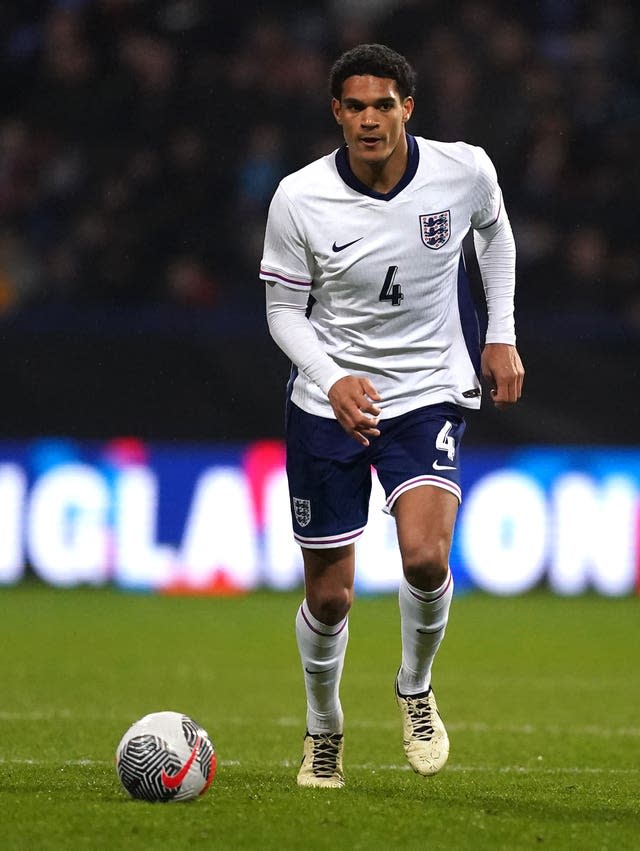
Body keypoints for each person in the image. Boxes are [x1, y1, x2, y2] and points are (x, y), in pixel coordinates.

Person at [260, 43, 524, 788]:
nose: (370, 119)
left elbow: (495, 233)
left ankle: (413, 685)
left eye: (384, 104)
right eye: (355, 107)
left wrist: (499, 332)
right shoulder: (299, 198)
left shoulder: (462, 169)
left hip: (428, 389)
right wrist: (330, 377)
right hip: (328, 403)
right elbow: (283, 310)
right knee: (330, 594)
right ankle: (323, 728)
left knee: (425, 558)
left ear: (409, 107)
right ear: (336, 113)